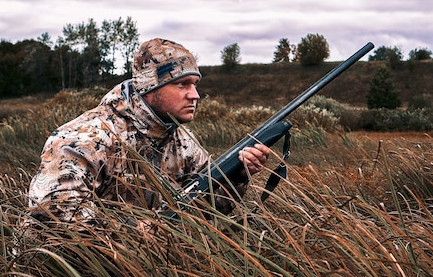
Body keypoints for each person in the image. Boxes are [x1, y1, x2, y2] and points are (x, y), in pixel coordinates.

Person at [26, 38, 270, 231]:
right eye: (182, 84)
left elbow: (208, 210)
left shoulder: (182, 142)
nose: (195, 95)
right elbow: (52, 214)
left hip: (137, 275)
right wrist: (134, 232)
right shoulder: (85, 138)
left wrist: (238, 174)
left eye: (195, 84)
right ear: (150, 87)